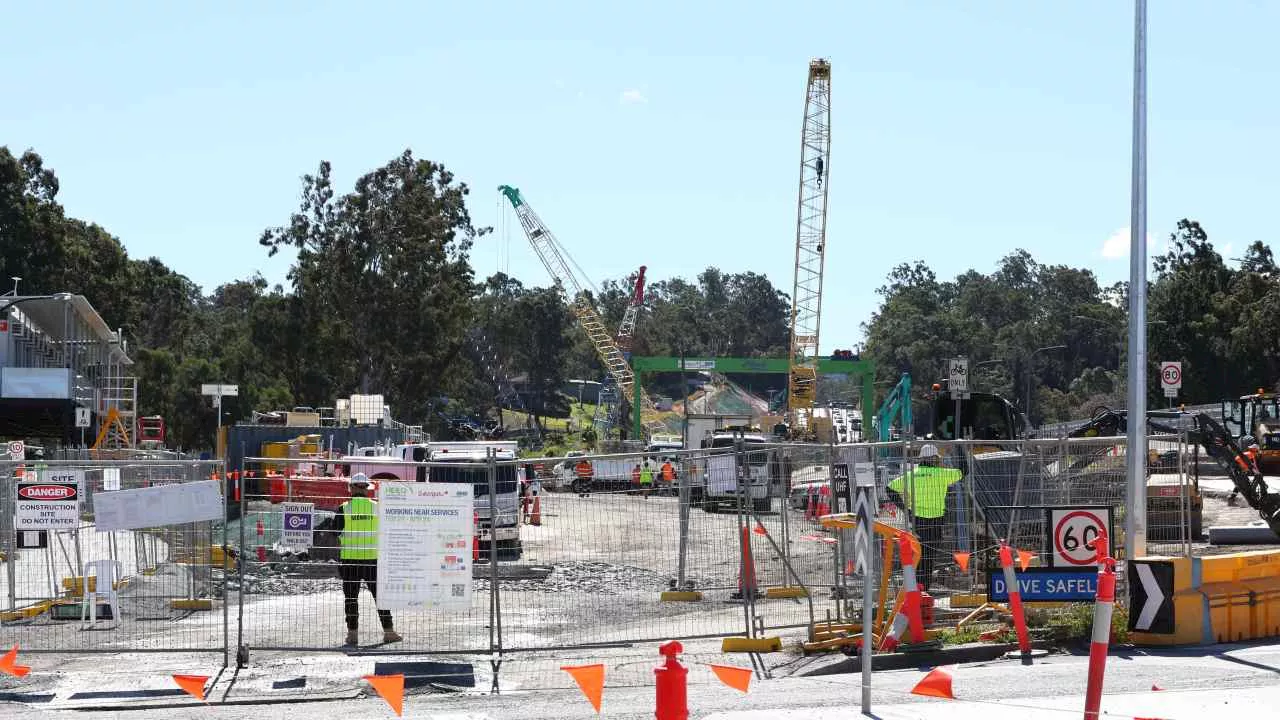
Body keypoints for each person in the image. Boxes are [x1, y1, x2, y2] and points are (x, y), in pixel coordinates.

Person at [332, 473, 401, 647]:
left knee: (351, 599)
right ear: (367, 490)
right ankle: (389, 632)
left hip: (350, 561)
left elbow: (335, 533)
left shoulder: (344, 508)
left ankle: (353, 635)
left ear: (352, 488)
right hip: (372, 560)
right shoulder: (377, 508)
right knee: (380, 597)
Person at [886, 444, 962, 590]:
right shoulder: (943, 474)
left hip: (917, 520)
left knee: (919, 555)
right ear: (934, 459)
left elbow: (889, 488)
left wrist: (905, 508)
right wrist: (959, 447)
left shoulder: (911, 475)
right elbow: (964, 471)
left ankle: (916, 587)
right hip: (936, 520)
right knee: (929, 555)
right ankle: (924, 587)